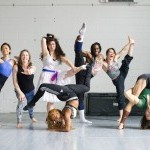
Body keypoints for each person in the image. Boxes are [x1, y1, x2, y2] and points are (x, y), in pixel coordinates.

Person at [23, 56, 94, 132]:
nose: (56, 116)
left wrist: (55, 128)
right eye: (56, 117)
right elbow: (67, 129)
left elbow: (67, 127)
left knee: (43, 87)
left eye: (55, 115)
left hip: (67, 93)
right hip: (67, 93)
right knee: (86, 87)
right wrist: (56, 129)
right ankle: (89, 66)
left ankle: (31, 103)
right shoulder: (66, 114)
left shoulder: (65, 115)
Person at [37, 34, 77, 113]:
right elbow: (43, 40)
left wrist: (73, 67)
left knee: (52, 100)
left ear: (56, 45)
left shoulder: (58, 55)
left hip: (54, 77)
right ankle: (50, 118)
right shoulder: (46, 53)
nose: (52, 46)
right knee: (49, 98)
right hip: (46, 76)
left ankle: (51, 118)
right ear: (48, 45)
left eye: (53, 44)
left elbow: (66, 60)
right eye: (50, 44)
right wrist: (49, 37)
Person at [75, 23, 104, 123]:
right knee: (78, 54)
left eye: (97, 49)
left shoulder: (101, 57)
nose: (96, 50)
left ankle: (81, 118)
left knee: (80, 95)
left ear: (100, 50)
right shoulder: (89, 55)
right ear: (92, 49)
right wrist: (78, 39)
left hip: (87, 77)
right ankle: (81, 36)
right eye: (94, 48)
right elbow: (78, 51)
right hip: (82, 71)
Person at [102, 37, 135, 122]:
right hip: (117, 79)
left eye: (113, 52)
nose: (112, 53)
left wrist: (129, 43)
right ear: (107, 54)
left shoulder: (115, 58)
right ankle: (121, 116)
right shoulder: (104, 63)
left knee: (126, 61)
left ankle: (132, 44)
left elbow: (123, 51)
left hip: (121, 73)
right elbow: (102, 63)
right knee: (120, 95)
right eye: (110, 52)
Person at [13, 49, 37, 128]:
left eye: (26, 55)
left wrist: (29, 71)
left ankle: (32, 116)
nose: (25, 56)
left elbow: (33, 70)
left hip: (30, 90)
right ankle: (19, 121)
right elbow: (15, 82)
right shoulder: (16, 67)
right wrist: (20, 92)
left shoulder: (32, 67)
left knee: (30, 104)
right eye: (23, 55)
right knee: (20, 103)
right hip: (19, 90)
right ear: (20, 57)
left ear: (29, 57)